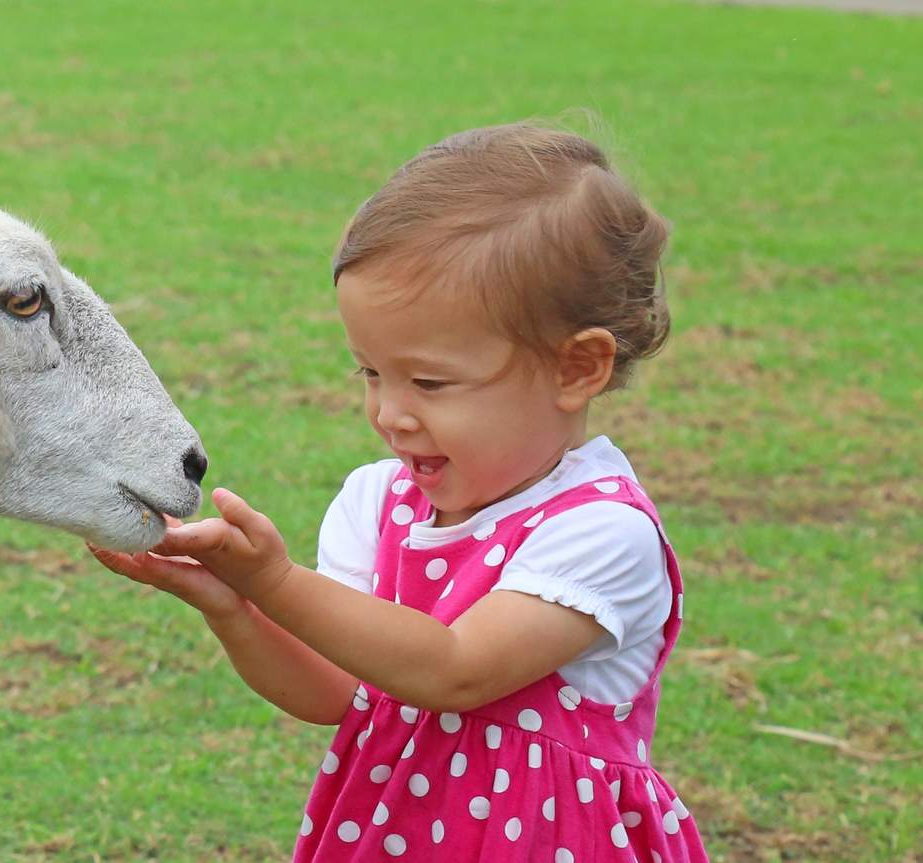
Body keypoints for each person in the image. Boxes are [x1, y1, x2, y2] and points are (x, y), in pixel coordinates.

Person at [89, 123, 711, 862]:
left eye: (429, 382)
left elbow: (455, 669)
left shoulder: (601, 531)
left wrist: (275, 581)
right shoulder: (375, 502)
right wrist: (234, 605)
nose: (390, 412)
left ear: (576, 369)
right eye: (370, 373)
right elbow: (335, 694)